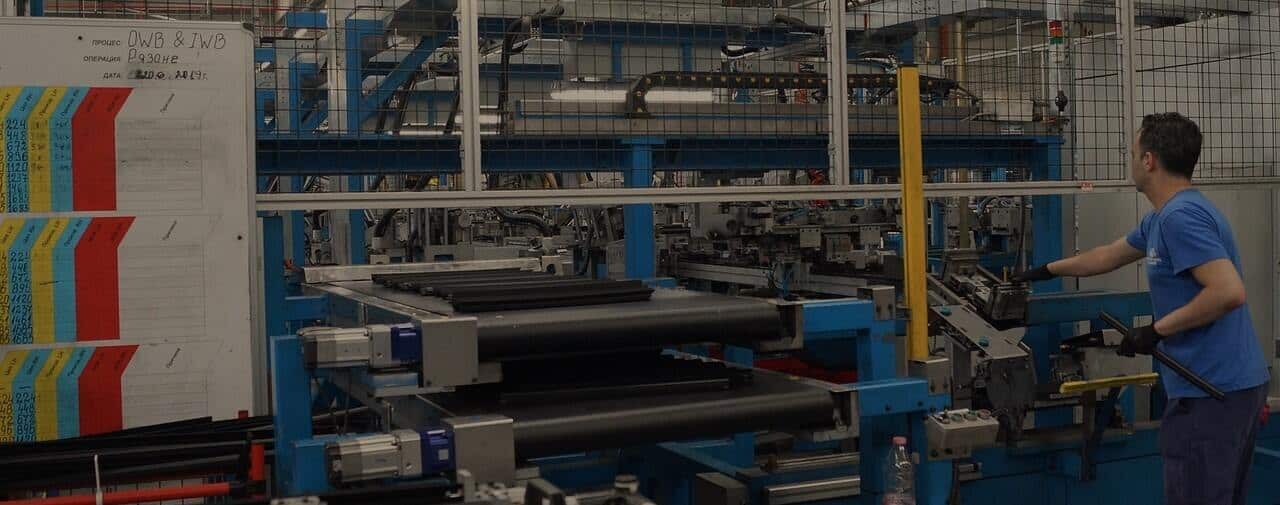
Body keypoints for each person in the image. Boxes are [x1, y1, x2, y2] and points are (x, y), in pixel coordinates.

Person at [1015, 113, 1270, 505]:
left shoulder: (1178, 218)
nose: (1130, 159)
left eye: (1133, 152)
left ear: (1149, 160)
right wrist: (1044, 271)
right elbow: (1106, 256)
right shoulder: (1166, 216)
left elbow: (1228, 291)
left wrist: (1156, 331)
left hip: (1211, 390)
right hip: (1228, 385)